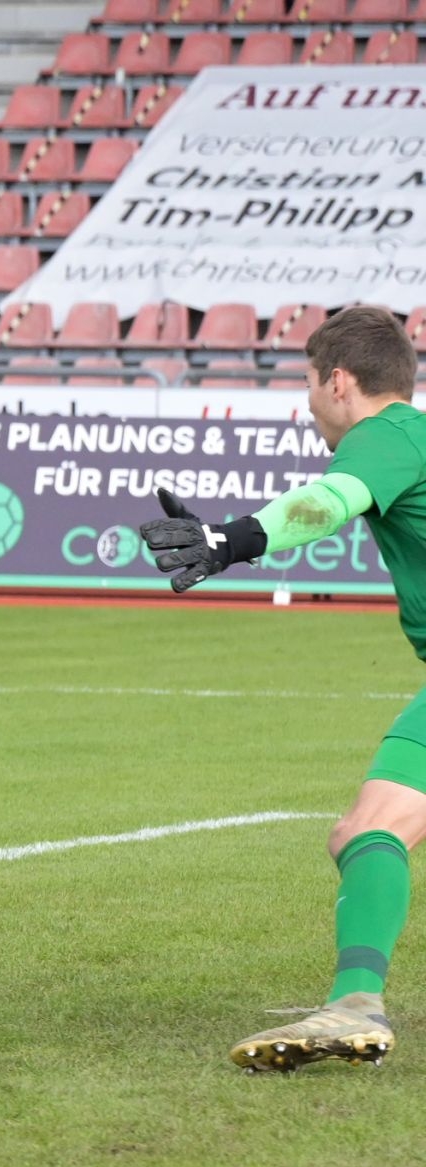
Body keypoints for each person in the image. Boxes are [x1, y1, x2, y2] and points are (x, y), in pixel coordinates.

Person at [137, 305, 423, 1071]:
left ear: (338, 380)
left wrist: (228, 540)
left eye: (307, 385)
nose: (307, 407)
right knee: (364, 830)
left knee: (373, 829)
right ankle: (354, 1000)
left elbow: (327, 504)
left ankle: (356, 1001)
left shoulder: (383, 437)